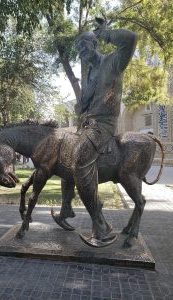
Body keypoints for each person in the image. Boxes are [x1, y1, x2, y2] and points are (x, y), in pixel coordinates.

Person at [72, 20, 138, 244]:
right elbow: (87, 103)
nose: (80, 53)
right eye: (78, 50)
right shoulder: (90, 74)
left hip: (105, 124)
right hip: (89, 124)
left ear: (93, 43)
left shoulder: (114, 62)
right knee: (64, 154)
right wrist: (81, 106)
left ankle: (101, 225)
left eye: (83, 47)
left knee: (79, 156)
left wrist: (105, 33)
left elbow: (130, 38)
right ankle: (66, 209)